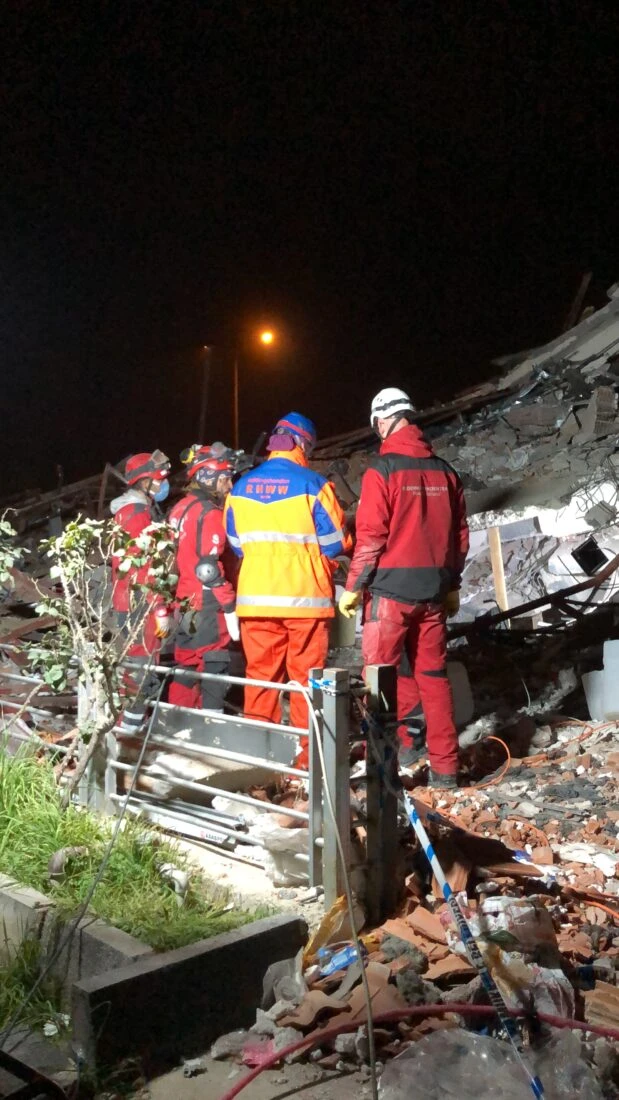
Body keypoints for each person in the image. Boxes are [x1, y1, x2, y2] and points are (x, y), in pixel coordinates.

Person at [339, 388, 469, 787]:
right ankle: (445, 769)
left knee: (379, 681)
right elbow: (459, 535)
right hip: (432, 595)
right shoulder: (445, 471)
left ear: (382, 421)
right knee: (432, 677)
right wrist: (451, 586)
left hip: (390, 596)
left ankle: (382, 775)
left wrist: (353, 586)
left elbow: (371, 536)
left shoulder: (383, 469)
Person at [224, 412, 352, 765]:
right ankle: (304, 763)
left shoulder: (239, 487)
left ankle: (257, 760)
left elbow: (236, 543)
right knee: (305, 681)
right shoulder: (314, 484)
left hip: (256, 602)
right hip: (304, 601)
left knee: (261, 678)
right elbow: (335, 543)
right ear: (302, 444)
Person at [168, 444, 239, 712]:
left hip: (184, 599)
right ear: (209, 477)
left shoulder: (179, 509)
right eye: (225, 478)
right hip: (208, 603)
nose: (229, 485)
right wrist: (230, 604)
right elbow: (208, 569)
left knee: (186, 663)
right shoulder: (210, 513)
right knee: (214, 664)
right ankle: (212, 728)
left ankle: (177, 721)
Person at [110, 449, 172, 731]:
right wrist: (159, 607)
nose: (163, 485)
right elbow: (141, 567)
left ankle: (133, 726)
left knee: (142, 668)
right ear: (144, 482)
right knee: (142, 670)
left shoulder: (136, 511)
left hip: (132, 602)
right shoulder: (136, 514)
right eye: (159, 480)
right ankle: (129, 734)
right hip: (139, 604)